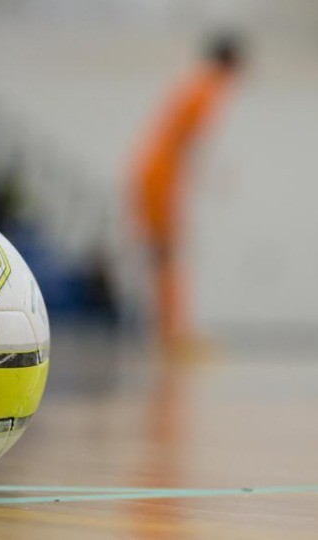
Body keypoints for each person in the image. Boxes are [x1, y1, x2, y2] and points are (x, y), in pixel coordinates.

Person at [131, 32, 244, 348]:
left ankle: (169, 333)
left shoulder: (195, 84)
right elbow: (187, 142)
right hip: (160, 178)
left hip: (154, 173)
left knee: (164, 256)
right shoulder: (207, 89)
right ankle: (173, 335)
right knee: (168, 255)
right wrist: (206, 176)